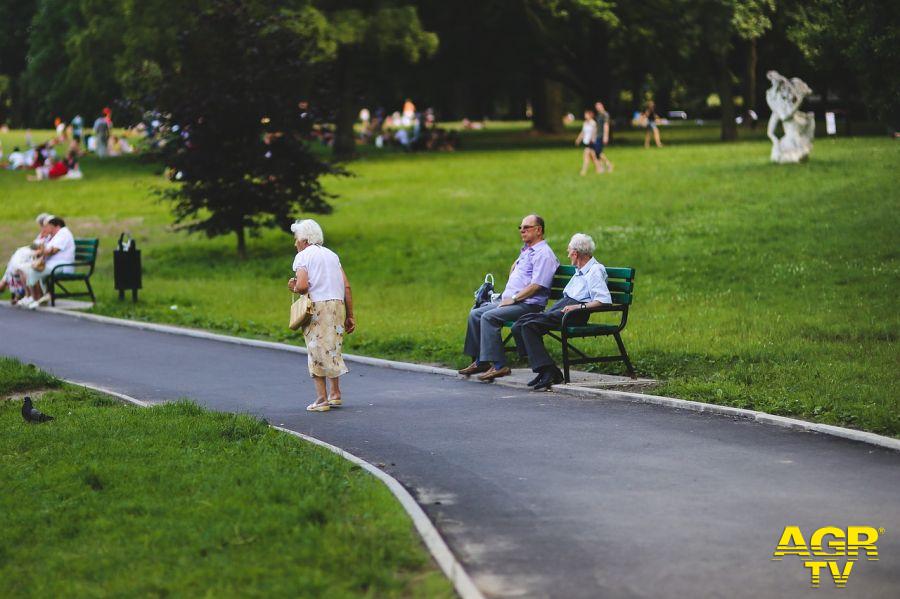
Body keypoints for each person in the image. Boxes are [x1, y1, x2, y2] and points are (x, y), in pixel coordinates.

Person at [460, 214, 559, 382]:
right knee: (475, 313)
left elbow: (537, 286)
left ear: (538, 230)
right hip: (513, 301)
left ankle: (499, 366)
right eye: (520, 227)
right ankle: (481, 361)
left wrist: (513, 298)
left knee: (489, 317)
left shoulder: (544, 254)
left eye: (526, 227)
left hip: (528, 305)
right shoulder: (528, 251)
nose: (522, 230)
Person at [511, 233, 611, 390]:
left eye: (569, 251)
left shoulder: (595, 270)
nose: (568, 254)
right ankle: (544, 369)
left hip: (575, 313)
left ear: (575, 253)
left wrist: (578, 307)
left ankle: (548, 371)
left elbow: (603, 300)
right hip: (564, 307)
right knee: (520, 324)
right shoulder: (580, 269)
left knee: (529, 326)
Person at [287, 219, 356, 412]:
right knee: (332, 348)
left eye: (296, 239)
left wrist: (293, 286)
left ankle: (321, 399)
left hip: (317, 308)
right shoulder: (332, 255)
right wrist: (350, 315)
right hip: (337, 306)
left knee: (316, 350)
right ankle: (335, 394)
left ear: (304, 239)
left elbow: (301, 286)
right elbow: (347, 286)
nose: (295, 244)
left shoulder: (303, 257)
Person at [20, 217, 75, 309]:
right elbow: (42, 248)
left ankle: (37, 298)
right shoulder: (54, 235)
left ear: (56, 226)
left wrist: (40, 251)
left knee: (32, 271)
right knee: (25, 268)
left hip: (61, 265)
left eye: (48, 226)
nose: (46, 228)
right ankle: (41, 297)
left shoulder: (63, 233)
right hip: (53, 264)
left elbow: (53, 250)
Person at [1, 214, 54, 304]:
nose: (42, 228)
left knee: (17, 266)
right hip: (33, 258)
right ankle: (19, 293)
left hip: (38, 261)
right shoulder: (43, 234)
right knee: (15, 265)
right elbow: (35, 246)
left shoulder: (51, 236)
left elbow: (42, 249)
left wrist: (37, 249)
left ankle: (21, 294)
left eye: (44, 225)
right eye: (42, 225)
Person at [574, 109, 600, 176]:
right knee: (593, 157)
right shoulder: (585, 123)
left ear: (590, 115)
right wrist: (578, 139)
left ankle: (583, 171)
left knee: (586, 157)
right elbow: (583, 132)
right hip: (586, 141)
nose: (585, 116)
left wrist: (592, 139)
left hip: (591, 142)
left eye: (586, 114)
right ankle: (599, 169)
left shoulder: (593, 123)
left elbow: (595, 132)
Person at [593, 101, 614, 173]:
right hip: (597, 135)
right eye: (596, 107)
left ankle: (609, 164)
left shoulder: (605, 114)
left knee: (598, 152)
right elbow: (597, 126)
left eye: (598, 106)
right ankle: (601, 168)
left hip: (602, 135)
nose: (597, 108)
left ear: (602, 106)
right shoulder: (598, 115)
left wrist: (606, 136)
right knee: (597, 152)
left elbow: (606, 125)